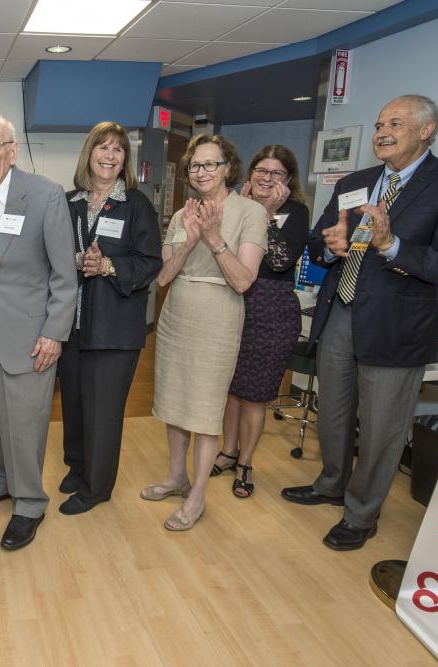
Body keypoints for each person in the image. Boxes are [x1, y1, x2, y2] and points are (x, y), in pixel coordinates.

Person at [281, 94, 438, 550]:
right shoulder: (357, 180)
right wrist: (328, 246)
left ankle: (362, 513)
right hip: (340, 313)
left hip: (396, 326)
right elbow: (316, 241)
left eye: (395, 123)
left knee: (381, 428)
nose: (382, 132)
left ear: (426, 130)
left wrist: (390, 244)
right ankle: (331, 482)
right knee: (332, 414)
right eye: (378, 124)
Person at [0, 115, 76, 550]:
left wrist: (54, 333)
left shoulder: (45, 196)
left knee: (24, 423)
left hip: (29, 337)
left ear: (12, 150)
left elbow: (65, 276)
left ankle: (28, 503)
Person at [143, 134, 267, 532]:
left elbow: (244, 281)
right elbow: (162, 278)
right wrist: (190, 240)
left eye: (210, 164)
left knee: (205, 409)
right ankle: (175, 476)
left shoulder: (251, 213)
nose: (201, 171)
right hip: (177, 312)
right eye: (195, 165)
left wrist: (213, 239)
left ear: (228, 168)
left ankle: (197, 495)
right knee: (175, 400)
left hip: (218, 316)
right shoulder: (182, 215)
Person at [58, 122, 162, 515]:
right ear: (90, 154)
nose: (109, 155)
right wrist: (78, 261)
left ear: (125, 160)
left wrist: (107, 266)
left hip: (114, 330)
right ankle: (78, 466)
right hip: (71, 327)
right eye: (102, 147)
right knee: (74, 403)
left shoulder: (137, 205)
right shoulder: (69, 203)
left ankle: (96, 489)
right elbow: (53, 256)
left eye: (118, 150)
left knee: (102, 412)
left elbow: (150, 262)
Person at [212, 145, 310, 498]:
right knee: (231, 390)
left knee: (254, 395)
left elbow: (281, 261)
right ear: (250, 174)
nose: (268, 179)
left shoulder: (297, 212)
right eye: (262, 171)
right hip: (234, 303)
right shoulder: (233, 208)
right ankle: (227, 450)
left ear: (288, 180)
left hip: (272, 309)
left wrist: (265, 213)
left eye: (277, 173)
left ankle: (245, 463)